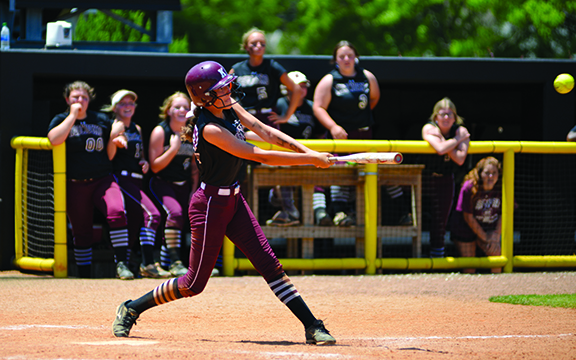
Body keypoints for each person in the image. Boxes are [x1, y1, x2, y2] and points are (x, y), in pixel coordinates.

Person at [112, 61, 336, 345]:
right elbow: (259, 154)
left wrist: (309, 150)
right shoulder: (209, 128)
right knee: (193, 284)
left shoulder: (228, 106)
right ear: (204, 96)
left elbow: (263, 130)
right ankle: (132, 307)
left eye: (227, 84)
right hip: (209, 207)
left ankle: (312, 325)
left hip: (233, 200)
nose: (229, 90)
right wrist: (310, 160)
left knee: (270, 265)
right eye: (221, 88)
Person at [47, 81, 132, 279]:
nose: (80, 101)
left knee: (117, 212)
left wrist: (117, 137)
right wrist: (72, 116)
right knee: (81, 230)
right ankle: (84, 276)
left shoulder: (100, 119)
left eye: (84, 98)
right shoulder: (61, 119)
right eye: (75, 97)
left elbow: (114, 143)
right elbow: (54, 139)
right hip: (75, 183)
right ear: (67, 99)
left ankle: (122, 264)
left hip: (102, 178)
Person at [230, 27, 303, 226]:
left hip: (267, 121)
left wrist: (286, 115)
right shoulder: (237, 69)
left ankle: (288, 210)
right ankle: (237, 211)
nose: (259, 46)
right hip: (244, 120)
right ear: (246, 46)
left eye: (262, 43)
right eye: (254, 43)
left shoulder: (272, 66)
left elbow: (295, 88)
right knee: (240, 164)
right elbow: (225, 94)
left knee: (279, 161)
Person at [312, 40, 380, 226]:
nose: (347, 59)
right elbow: (318, 107)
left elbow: (374, 98)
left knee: (363, 172)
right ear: (335, 60)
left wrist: (359, 117)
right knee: (338, 170)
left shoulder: (367, 77)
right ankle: (336, 212)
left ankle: (357, 214)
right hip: (340, 138)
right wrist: (333, 126)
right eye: (342, 56)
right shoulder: (330, 80)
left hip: (363, 135)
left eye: (350, 55)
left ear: (356, 57)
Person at [104, 89, 170, 278]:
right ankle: (148, 263)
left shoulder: (136, 128)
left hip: (137, 178)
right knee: (152, 214)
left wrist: (144, 162)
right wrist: (113, 140)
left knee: (135, 224)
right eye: (123, 103)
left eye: (131, 103)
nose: (128, 107)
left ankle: (130, 263)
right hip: (121, 179)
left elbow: (139, 155)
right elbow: (109, 156)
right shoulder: (114, 125)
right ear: (115, 107)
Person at [266, 70, 327, 226]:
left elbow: (320, 133)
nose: (302, 90)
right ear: (287, 88)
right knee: (279, 180)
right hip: (285, 155)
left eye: (304, 86)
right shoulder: (280, 104)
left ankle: (320, 212)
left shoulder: (311, 107)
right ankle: (288, 209)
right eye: (297, 86)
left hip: (307, 154)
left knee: (316, 176)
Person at [148, 91, 199, 277]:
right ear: (168, 111)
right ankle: (176, 262)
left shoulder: (191, 131)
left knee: (181, 220)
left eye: (185, 107)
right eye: (177, 107)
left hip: (183, 184)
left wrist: (194, 190)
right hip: (163, 183)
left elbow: (194, 165)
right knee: (175, 213)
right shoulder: (161, 131)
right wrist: (174, 149)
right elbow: (154, 166)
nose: (181, 110)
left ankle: (166, 262)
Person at [421, 97, 470, 257]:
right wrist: (456, 141)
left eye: (450, 114)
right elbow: (440, 149)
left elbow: (460, 159)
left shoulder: (460, 130)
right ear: (436, 117)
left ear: (455, 117)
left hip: (446, 179)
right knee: (419, 217)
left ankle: (437, 259)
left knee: (440, 220)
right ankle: (417, 258)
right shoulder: (429, 128)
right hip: (423, 178)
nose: (446, 118)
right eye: (442, 114)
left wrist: (447, 142)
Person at [450, 157, 502, 273]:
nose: (491, 177)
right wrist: (485, 238)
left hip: (488, 228)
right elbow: (468, 217)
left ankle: (499, 288)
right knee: (470, 267)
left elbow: (505, 213)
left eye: (494, 173)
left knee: (496, 254)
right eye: (487, 173)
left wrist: (495, 237)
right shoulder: (469, 187)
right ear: (480, 173)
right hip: (465, 229)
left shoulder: (502, 186)